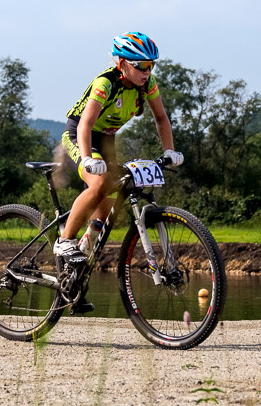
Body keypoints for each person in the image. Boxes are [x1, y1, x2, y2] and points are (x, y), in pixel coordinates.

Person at [55, 31, 183, 286]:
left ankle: (74, 277)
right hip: (81, 134)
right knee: (100, 183)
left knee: (103, 215)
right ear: (122, 63)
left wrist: (169, 151)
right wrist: (87, 158)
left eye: (151, 65)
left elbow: (161, 119)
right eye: (142, 66)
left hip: (107, 139)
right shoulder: (106, 83)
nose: (148, 71)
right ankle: (65, 241)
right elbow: (86, 125)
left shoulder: (148, 84)